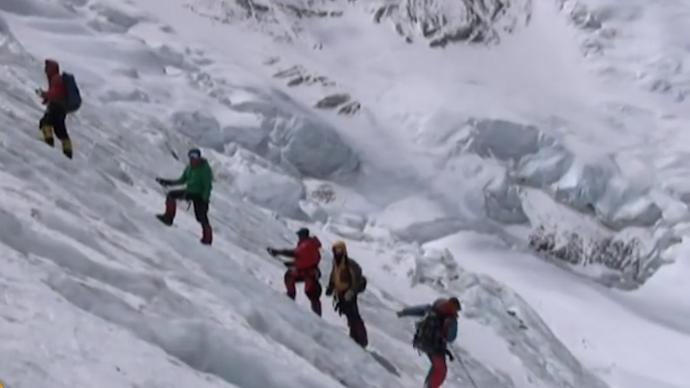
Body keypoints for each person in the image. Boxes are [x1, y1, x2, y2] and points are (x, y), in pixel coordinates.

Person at [397, 297, 461, 388]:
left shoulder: (434, 308)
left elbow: (418, 310)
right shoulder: (451, 319)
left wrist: (403, 312)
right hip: (435, 347)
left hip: (422, 341)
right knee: (441, 369)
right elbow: (451, 338)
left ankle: (428, 385)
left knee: (436, 367)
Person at [155, 148, 213, 245]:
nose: (193, 159)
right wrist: (168, 182)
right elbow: (182, 180)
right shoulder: (189, 168)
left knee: (201, 217)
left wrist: (205, 200)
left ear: (199, 157)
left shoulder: (205, 169)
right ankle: (168, 218)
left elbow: (207, 186)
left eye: (195, 156)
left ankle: (207, 238)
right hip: (190, 192)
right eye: (191, 156)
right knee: (171, 195)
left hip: (199, 195)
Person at [267, 228, 322, 316]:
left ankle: (290, 297)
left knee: (290, 277)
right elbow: (306, 259)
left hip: (307, 273)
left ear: (303, 235)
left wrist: (278, 252)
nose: (298, 237)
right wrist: (294, 263)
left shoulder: (306, 245)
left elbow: (295, 253)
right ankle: (317, 315)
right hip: (311, 272)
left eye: (299, 235)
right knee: (312, 294)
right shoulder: (312, 244)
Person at [325, 240, 368, 347]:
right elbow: (334, 274)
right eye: (335, 250)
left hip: (349, 293)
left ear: (343, 250)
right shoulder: (336, 262)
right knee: (349, 315)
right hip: (340, 293)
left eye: (339, 250)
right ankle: (354, 337)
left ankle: (361, 340)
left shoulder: (349, 264)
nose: (337, 252)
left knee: (354, 315)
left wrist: (351, 292)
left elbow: (355, 280)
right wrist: (331, 286)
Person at [38, 59, 72, 159]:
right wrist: (46, 98)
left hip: (56, 108)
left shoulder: (56, 79)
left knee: (45, 123)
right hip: (61, 108)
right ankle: (68, 152)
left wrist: (45, 94)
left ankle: (49, 144)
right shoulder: (55, 78)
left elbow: (56, 93)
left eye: (47, 68)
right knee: (60, 130)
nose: (45, 70)